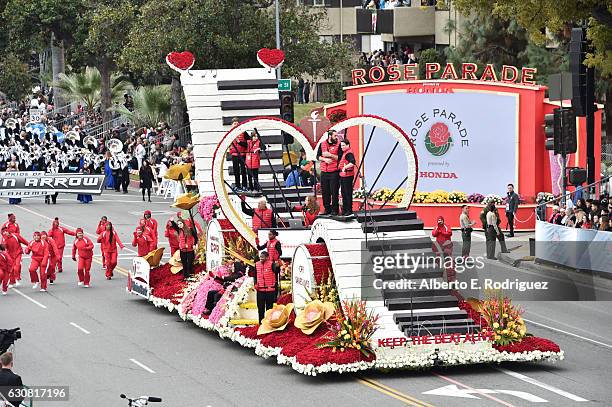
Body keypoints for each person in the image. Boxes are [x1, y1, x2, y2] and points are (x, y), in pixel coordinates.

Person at [317, 130, 341, 216]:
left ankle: (335, 210)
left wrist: (330, 155)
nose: (336, 137)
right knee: (325, 192)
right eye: (335, 136)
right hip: (324, 172)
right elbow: (317, 156)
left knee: (334, 192)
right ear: (330, 136)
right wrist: (324, 159)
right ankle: (327, 209)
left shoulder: (339, 145)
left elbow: (340, 158)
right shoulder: (322, 144)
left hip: (334, 172)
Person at [254, 251, 281, 323]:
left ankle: (269, 324)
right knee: (260, 309)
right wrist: (255, 283)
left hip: (270, 291)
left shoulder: (272, 264)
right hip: (260, 291)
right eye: (260, 257)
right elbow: (255, 275)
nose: (261, 258)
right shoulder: (256, 264)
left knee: (269, 310)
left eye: (263, 257)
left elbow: (276, 271)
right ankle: (261, 324)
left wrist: (278, 266)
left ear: (267, 257)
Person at [230, 118, 248, 191]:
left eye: (237, 123)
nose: (236, 125)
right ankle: (238, 186)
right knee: (236, 171)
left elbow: (248, 144)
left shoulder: (243, 132)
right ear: (232, 125)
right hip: (234, 154)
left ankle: (244, 185)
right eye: (234, 123)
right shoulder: (230, 133)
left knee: (243, 171)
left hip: (242, 154)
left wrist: (239, 142)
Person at [339, 138, 356, 216]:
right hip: (343, 176)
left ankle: (349, 210)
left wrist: (345, 167)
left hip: (347, 176)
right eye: (341, 145)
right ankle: (345, 209)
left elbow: (352, 162)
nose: (341, 147)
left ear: (348, 145)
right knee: (344, 193)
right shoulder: (345, 152)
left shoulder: (349, 153)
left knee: (347, 193)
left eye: (343, 145)